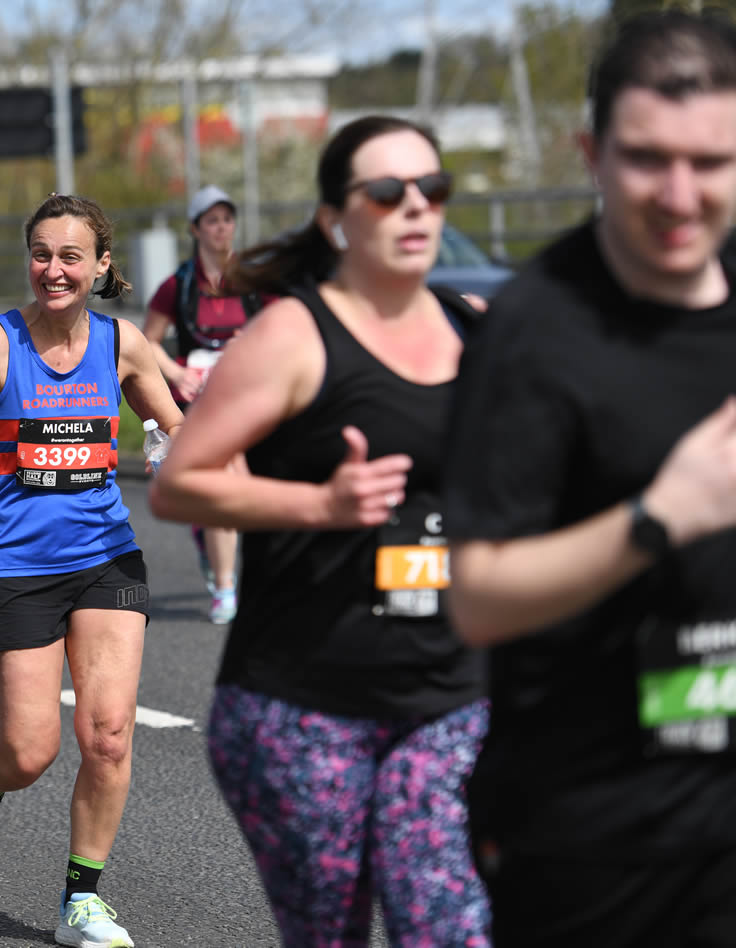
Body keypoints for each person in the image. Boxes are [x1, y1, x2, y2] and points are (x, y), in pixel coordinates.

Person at [149, 115, 491, 946]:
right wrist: (322, 508)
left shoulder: (475, 327)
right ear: (338, 218)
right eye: (387, 192)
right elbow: (179, 484)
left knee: (449, 929)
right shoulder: (293, 336)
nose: (415, 206)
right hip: (301, 706)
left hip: (448, 697)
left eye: (431, 189)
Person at [443, 11, 736, 945]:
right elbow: (479, 599)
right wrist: (659, 517)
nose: (681, 194)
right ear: (591, 153)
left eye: (712, 162)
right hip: (597, 838)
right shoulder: (534, 334)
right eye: (648, 158)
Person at [0, 193, 182, 948]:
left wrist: (178, 450)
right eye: (41, 254)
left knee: (109, 736)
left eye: (70, 257)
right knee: (30, 749)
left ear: (101, 266)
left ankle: (80, 901)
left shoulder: (123, 344)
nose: (53, 270)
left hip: (106, 555)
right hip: (15, 564)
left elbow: (171, 429)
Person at [143, 185, 260, 623]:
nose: (221, 229)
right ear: (196, 230)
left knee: (239, 486)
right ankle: (226, 589)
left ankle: (213, 546)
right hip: (199, 402)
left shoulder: (252, 279)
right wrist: (178, 374)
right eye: (211, 221)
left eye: (227, 220)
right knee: (223, 481)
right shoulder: (179, 285)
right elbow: (148, 340)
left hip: (247, 398)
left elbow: (288, 326)